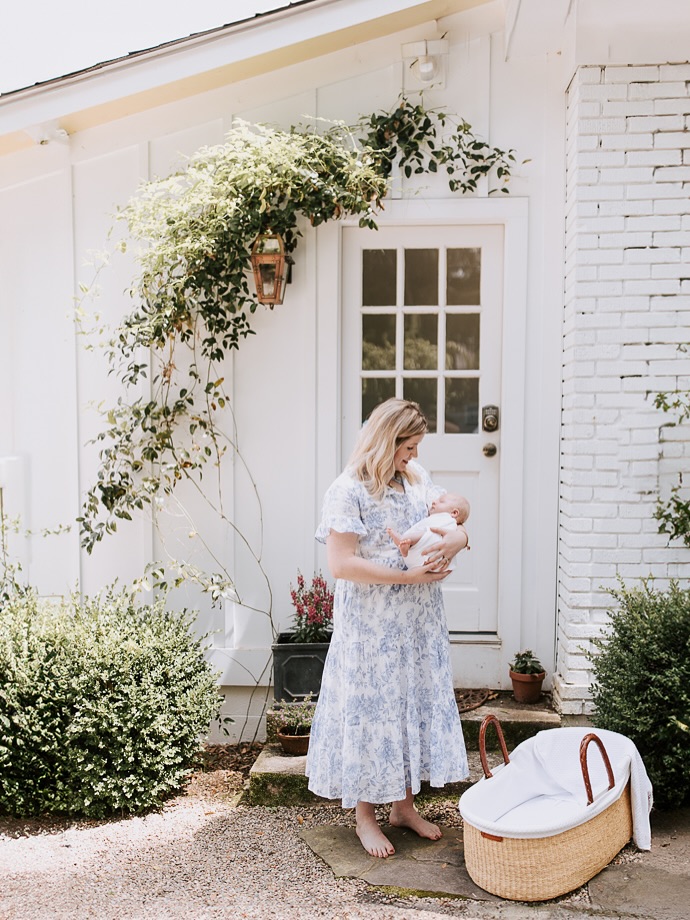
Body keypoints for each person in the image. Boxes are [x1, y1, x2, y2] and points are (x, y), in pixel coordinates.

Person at [305, 398, 470, 859]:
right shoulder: (348, 489)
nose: (414, 455)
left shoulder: (415, 478)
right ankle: (365, 817)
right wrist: (407, 577)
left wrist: (458, 539)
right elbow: (341, 564)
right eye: (409, 446)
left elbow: (452, 518)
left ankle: (404, 807)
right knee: (372, 710)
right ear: (386, 441)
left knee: (410, 703)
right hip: (371, 626)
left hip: (418, 621)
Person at [387, 492, 470, 572]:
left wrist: (463, 538)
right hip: (419, 561)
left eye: (441, 501)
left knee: (428, 533)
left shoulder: (448, 520)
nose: (433, 501)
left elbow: (457, 531)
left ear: (454, 513)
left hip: (433, 557)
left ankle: (404, 540)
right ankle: (406, 548)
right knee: (427, 534)